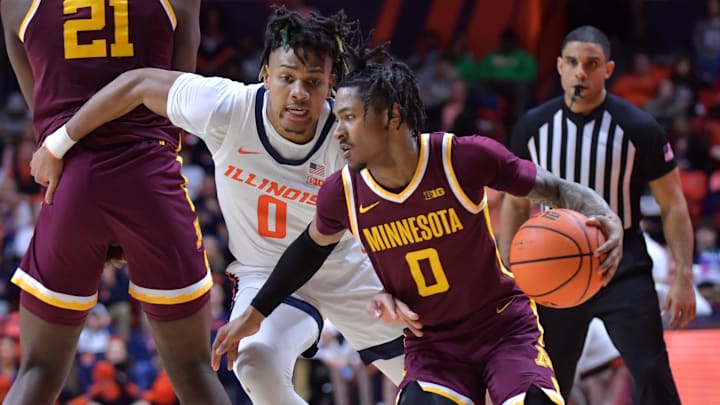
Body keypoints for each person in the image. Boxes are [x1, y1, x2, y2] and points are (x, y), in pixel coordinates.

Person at [28, 7, 405, 404]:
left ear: (331, 85)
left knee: (433, 379)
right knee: (254, 363)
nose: (298, 92)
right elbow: (136, 83)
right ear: (265, 74)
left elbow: (398, 209)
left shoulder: (349, 137)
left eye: (313, 82)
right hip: (266, 275)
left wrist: (398, 282)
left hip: (346, 270)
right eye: (287, 77)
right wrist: (57, 144)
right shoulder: (228, 108)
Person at [211, 45, 625, 405]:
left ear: (391, 116)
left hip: (502, 327)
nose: (337, 132)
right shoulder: (344, 192)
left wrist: (606, 217)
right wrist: (257, 313)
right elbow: (308, 250)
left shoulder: (461, 158)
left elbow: (555, 188)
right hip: (433, 347)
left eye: (350, 118)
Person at [0, 1, 231, 404]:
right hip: (150, 183)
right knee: (195, 371)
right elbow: (179, 98)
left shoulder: (16, 5)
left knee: (38, 371)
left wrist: (65, 138)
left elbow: (43, 112)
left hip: (70, 185)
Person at [499, 26, 696, 404]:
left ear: (608, 69)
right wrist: (510, 269)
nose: (580, 73)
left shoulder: (639, 127)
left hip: (622, 267)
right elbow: (514, 201)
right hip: (551, 264)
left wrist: (683, 276)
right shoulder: (532, 126)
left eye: (591, 65)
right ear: (558, 66)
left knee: (653, 370)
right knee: (544, 383)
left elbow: (673, 205)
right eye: (572, 63)